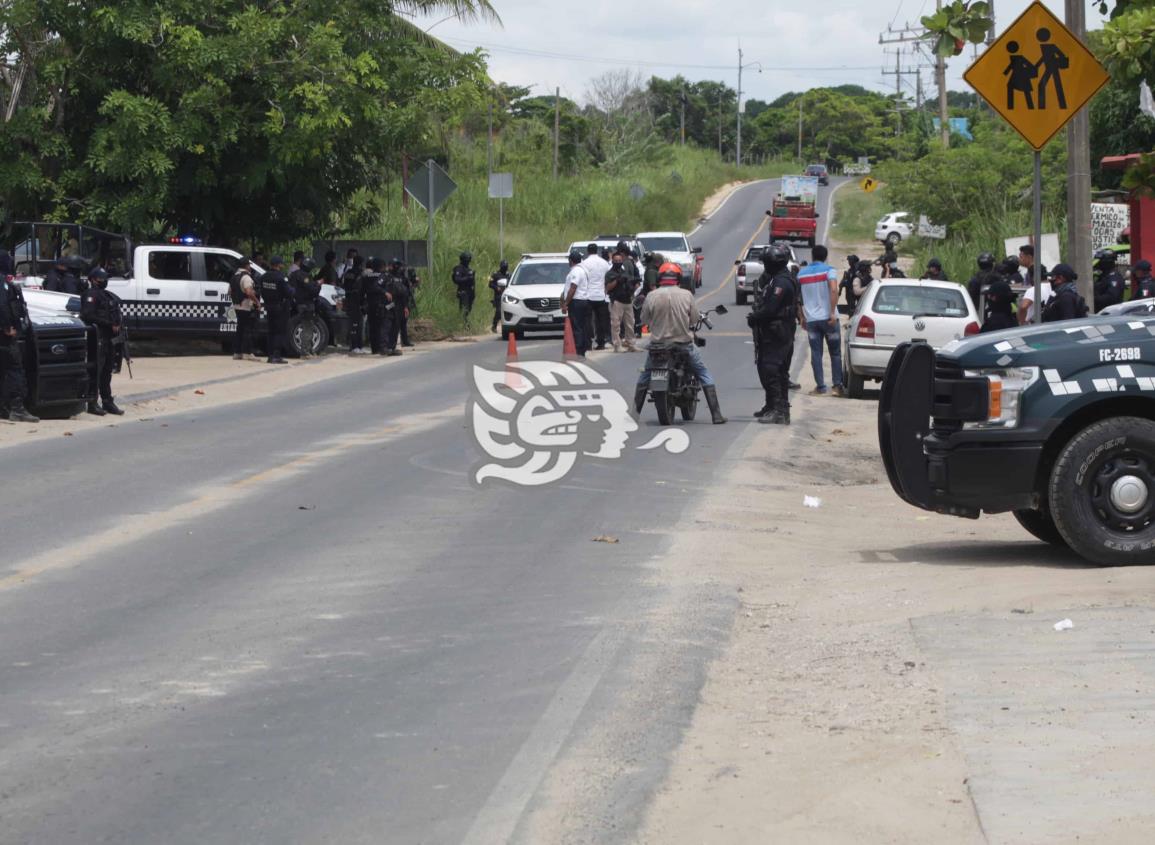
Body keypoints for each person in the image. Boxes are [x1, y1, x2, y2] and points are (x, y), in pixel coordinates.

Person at [636, 264, 725, 424]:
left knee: (644, 377)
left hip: (658, 346)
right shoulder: (686, 294)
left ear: (659, 278)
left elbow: (644, 320)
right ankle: (716, 415)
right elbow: (694, 318)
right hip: (683, 344)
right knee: (703, 373)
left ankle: (633, 415)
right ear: (678, 279)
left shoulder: (651, 295)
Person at [748, 244, 797, 424]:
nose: (765, 266)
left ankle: (779, 410)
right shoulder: (776, 279)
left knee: (772, 369)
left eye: (767, 263)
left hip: (778, 331)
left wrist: (755, 317)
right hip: (775, 330)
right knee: (774, 369)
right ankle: (774, 406)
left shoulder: (781, 282)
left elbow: (770, 309)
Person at [798, 245, 844, 397]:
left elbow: (798, 299)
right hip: (828, 319)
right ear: (825, 256)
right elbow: (833, 289)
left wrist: (802, 317)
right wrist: (831, 312)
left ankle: (820, 386)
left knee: (816, 353)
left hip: (812, 320)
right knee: (835, 353)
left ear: (812, 256)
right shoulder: (829, 270)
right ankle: (837, 387)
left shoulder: (801, 274)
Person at [79, 267, 125, 415]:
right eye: (101, 279)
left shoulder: (106, 295)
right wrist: (109, 324)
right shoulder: (90, 295)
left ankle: (107, 401)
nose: (104, 281)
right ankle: (92, 403)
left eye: (105, 279)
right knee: (96, 371)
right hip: (98, 338)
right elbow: (88, 315)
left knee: (107, 371)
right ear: (93, 280)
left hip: (110, 339)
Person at [0, 273, 38, 422]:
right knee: (15, 370)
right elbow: (2, 304)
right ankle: (17, 409)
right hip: (5, 336)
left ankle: (4, 408)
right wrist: (7, 326)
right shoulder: (1, 282)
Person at [605, 249, 640, 352]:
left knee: (630, 324)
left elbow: (630, 284)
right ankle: (617, 345)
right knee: (616, 325)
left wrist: (634, 283)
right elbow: (607, 287)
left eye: (620, 260)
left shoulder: (624, 272)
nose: (618, 263)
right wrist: (617, 281)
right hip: (617, 301)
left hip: (628, 300)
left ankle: (631, 344)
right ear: (612, 261)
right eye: (616, 261)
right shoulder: (610, 274)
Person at [259, 256, 292, 363]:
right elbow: (288, 292)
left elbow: (262, 292)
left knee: (271, 331)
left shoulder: (264, 277)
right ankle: (276, 355)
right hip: (280, 307)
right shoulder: (281, 277)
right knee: (279, 332)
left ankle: (270, 355)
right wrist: (294, 290)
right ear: (279, 265)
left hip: (268, 306)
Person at [561, 251, 593, 356]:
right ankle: (583, 347)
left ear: (570, 261)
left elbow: (573, 288)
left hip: (577, 302)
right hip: (584, 301)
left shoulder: (576, 271)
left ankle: (579, 349)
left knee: (577, 327)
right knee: (583, 326)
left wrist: (566, 303)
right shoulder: (583, 270)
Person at [229, 258, 261, 361]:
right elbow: (248, 292)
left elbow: (229, 292)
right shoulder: (246, 277)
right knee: (247, 329)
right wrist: (257, 301)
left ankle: (237, 352)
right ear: (246, 265)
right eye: (249, 265)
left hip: (237, 306)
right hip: (246, 306)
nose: (250, 267)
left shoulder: (234, 276)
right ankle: (248, 353)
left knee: (240, 329)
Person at [581, 243, 611, 350]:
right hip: (602, 295)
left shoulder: (584, 263)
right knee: (601, 320)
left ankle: (588, 343)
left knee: (588, 321)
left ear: (588, 251)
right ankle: (601, 343)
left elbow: (583, 279)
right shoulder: (604, 263)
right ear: (597, 251)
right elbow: (608, 278)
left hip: (588, 295)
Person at [290, 256, 320, 357]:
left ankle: (309, 349)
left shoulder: (294, 274)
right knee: (308, 327)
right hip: (306, 304)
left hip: (297, 304)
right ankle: (305, 351)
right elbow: (313, 291)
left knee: (307, 326)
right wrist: (318, 285)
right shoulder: (305, 276)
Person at [362, 256, 390, 355]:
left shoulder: (366, 277)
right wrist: (385, 292)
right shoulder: (382, 276)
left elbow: (362, 290)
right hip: (380, 304)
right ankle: (383, 348)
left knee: (373, 327)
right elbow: (376, 286)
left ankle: (375, 349)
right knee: (383, 326)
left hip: (370, 304)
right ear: (381, 266)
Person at [383, 258, 407, 356]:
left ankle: (392, 347)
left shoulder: (401, 278)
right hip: (389, 304)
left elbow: (405, 293)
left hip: (399, 305)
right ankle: (385, 347)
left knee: (396, 326)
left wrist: (405, 306)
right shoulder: (386, 276)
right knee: (387, 325)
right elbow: (379, 287)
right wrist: (385, 293)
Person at [342, 256, 366, 354]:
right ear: (361, 264)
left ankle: (352, 345)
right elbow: (362, 288)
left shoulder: (347, 273)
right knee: (358, 324)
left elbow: (344, 285)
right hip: (357, 300)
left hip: (348, 299)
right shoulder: (361, 273)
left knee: (352, 324)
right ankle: (357, 346)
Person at [452, 251, 476, 319]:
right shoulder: (459, 268)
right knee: (464, 308)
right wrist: (468, 278)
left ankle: (463, 321)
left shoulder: (468, 269)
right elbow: (457, 279)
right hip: (463, 291)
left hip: (470, 292)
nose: (469, 261)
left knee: (468, 309)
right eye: (468, 259)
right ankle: (464, 323)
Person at [489, 260, 510, 333]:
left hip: (508, 296)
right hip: (498, 295)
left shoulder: (509, 275)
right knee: (498, 311)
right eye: (503, 267)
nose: (505, 268)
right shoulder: (495, 275)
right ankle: (494, 326)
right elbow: (490, 284)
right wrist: (496, 288)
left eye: (506, 267)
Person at [402, 267, 418, 347]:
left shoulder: (407, 280)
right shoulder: (401, 279)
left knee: (404, 322)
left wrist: (415, 283)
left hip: (407, 301)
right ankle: (403, 340)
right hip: (401, 302)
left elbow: (412, 288)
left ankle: (405, 340)